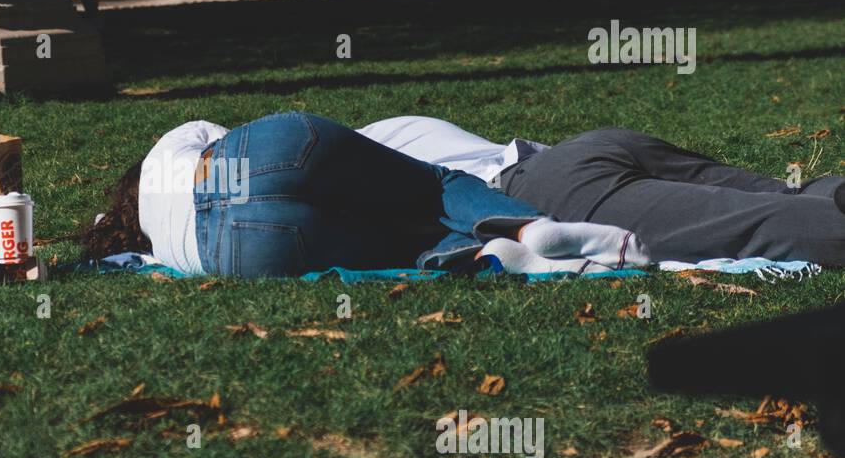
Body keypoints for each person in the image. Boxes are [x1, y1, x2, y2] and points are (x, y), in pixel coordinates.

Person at [84, 112, 647, 277]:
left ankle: (492, 255)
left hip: (237, 248)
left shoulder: (166, 247)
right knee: (430, 184)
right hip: (256, 156)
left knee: (405, 245)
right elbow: (223, 137)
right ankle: (528, 227)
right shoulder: (166, 152)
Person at [333, 115, 845, 267]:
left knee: (759, 223)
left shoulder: (354, 179)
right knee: (794, 194)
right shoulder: (388, 128)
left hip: (550, 190)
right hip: (584, 147)